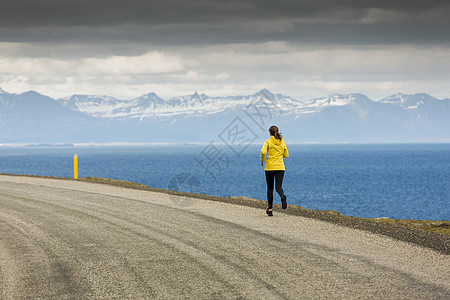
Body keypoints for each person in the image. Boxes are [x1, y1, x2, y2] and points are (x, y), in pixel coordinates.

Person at [260, 125, 289, 216]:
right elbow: (286, 155)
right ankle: (282, 196)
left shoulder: (267, 142)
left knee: (270, 188)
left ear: (270, 133)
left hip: (269, 167)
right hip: (280, 167)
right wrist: (280, 155)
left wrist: (262, 160)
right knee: (278, 187)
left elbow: (263, 152)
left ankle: (270, 209)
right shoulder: (282, 142)